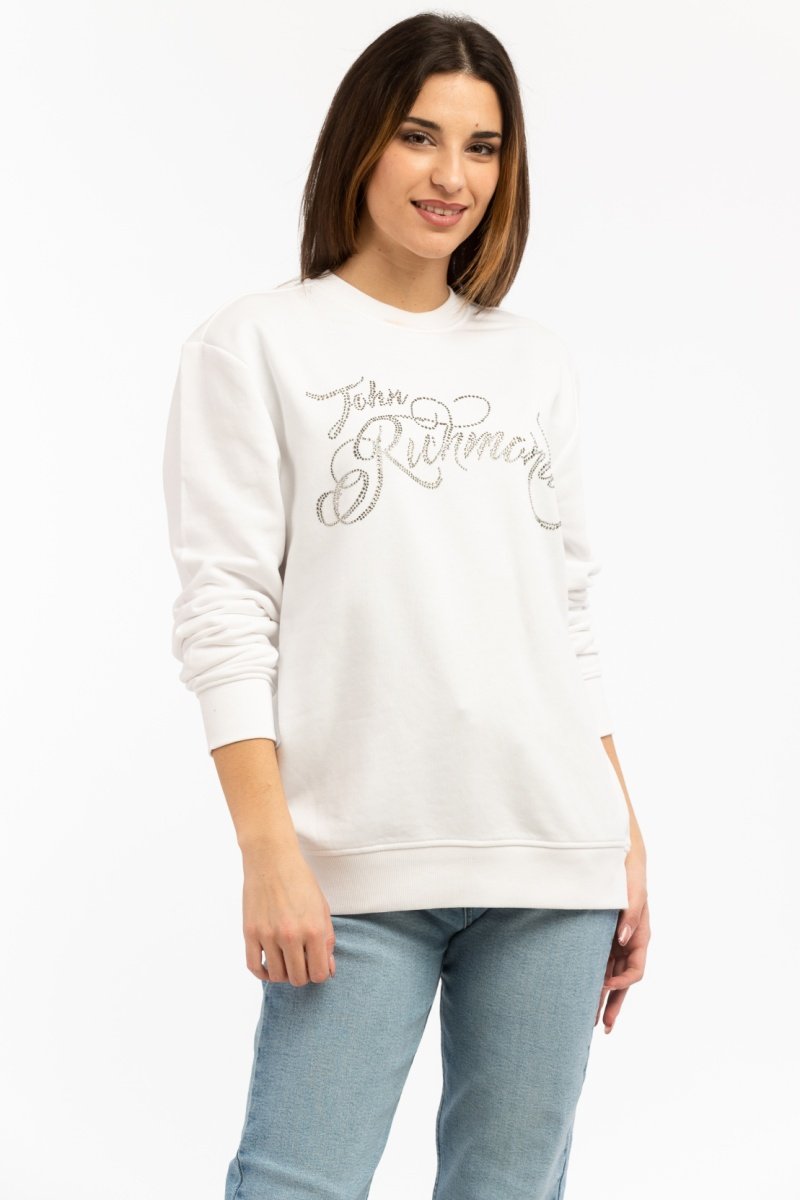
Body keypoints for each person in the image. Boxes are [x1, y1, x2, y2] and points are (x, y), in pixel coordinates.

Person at [161, 11, 650, 1199]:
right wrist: (267, 852)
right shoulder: (254, 345)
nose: (450, 178)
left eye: (482, 148)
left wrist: (622, 837)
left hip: (554, 862)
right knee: (295, 1181)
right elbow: (225, 614)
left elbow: (566, 616)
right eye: (419, 136)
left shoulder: (532, 361)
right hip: (352, 864)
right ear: (361, 142)